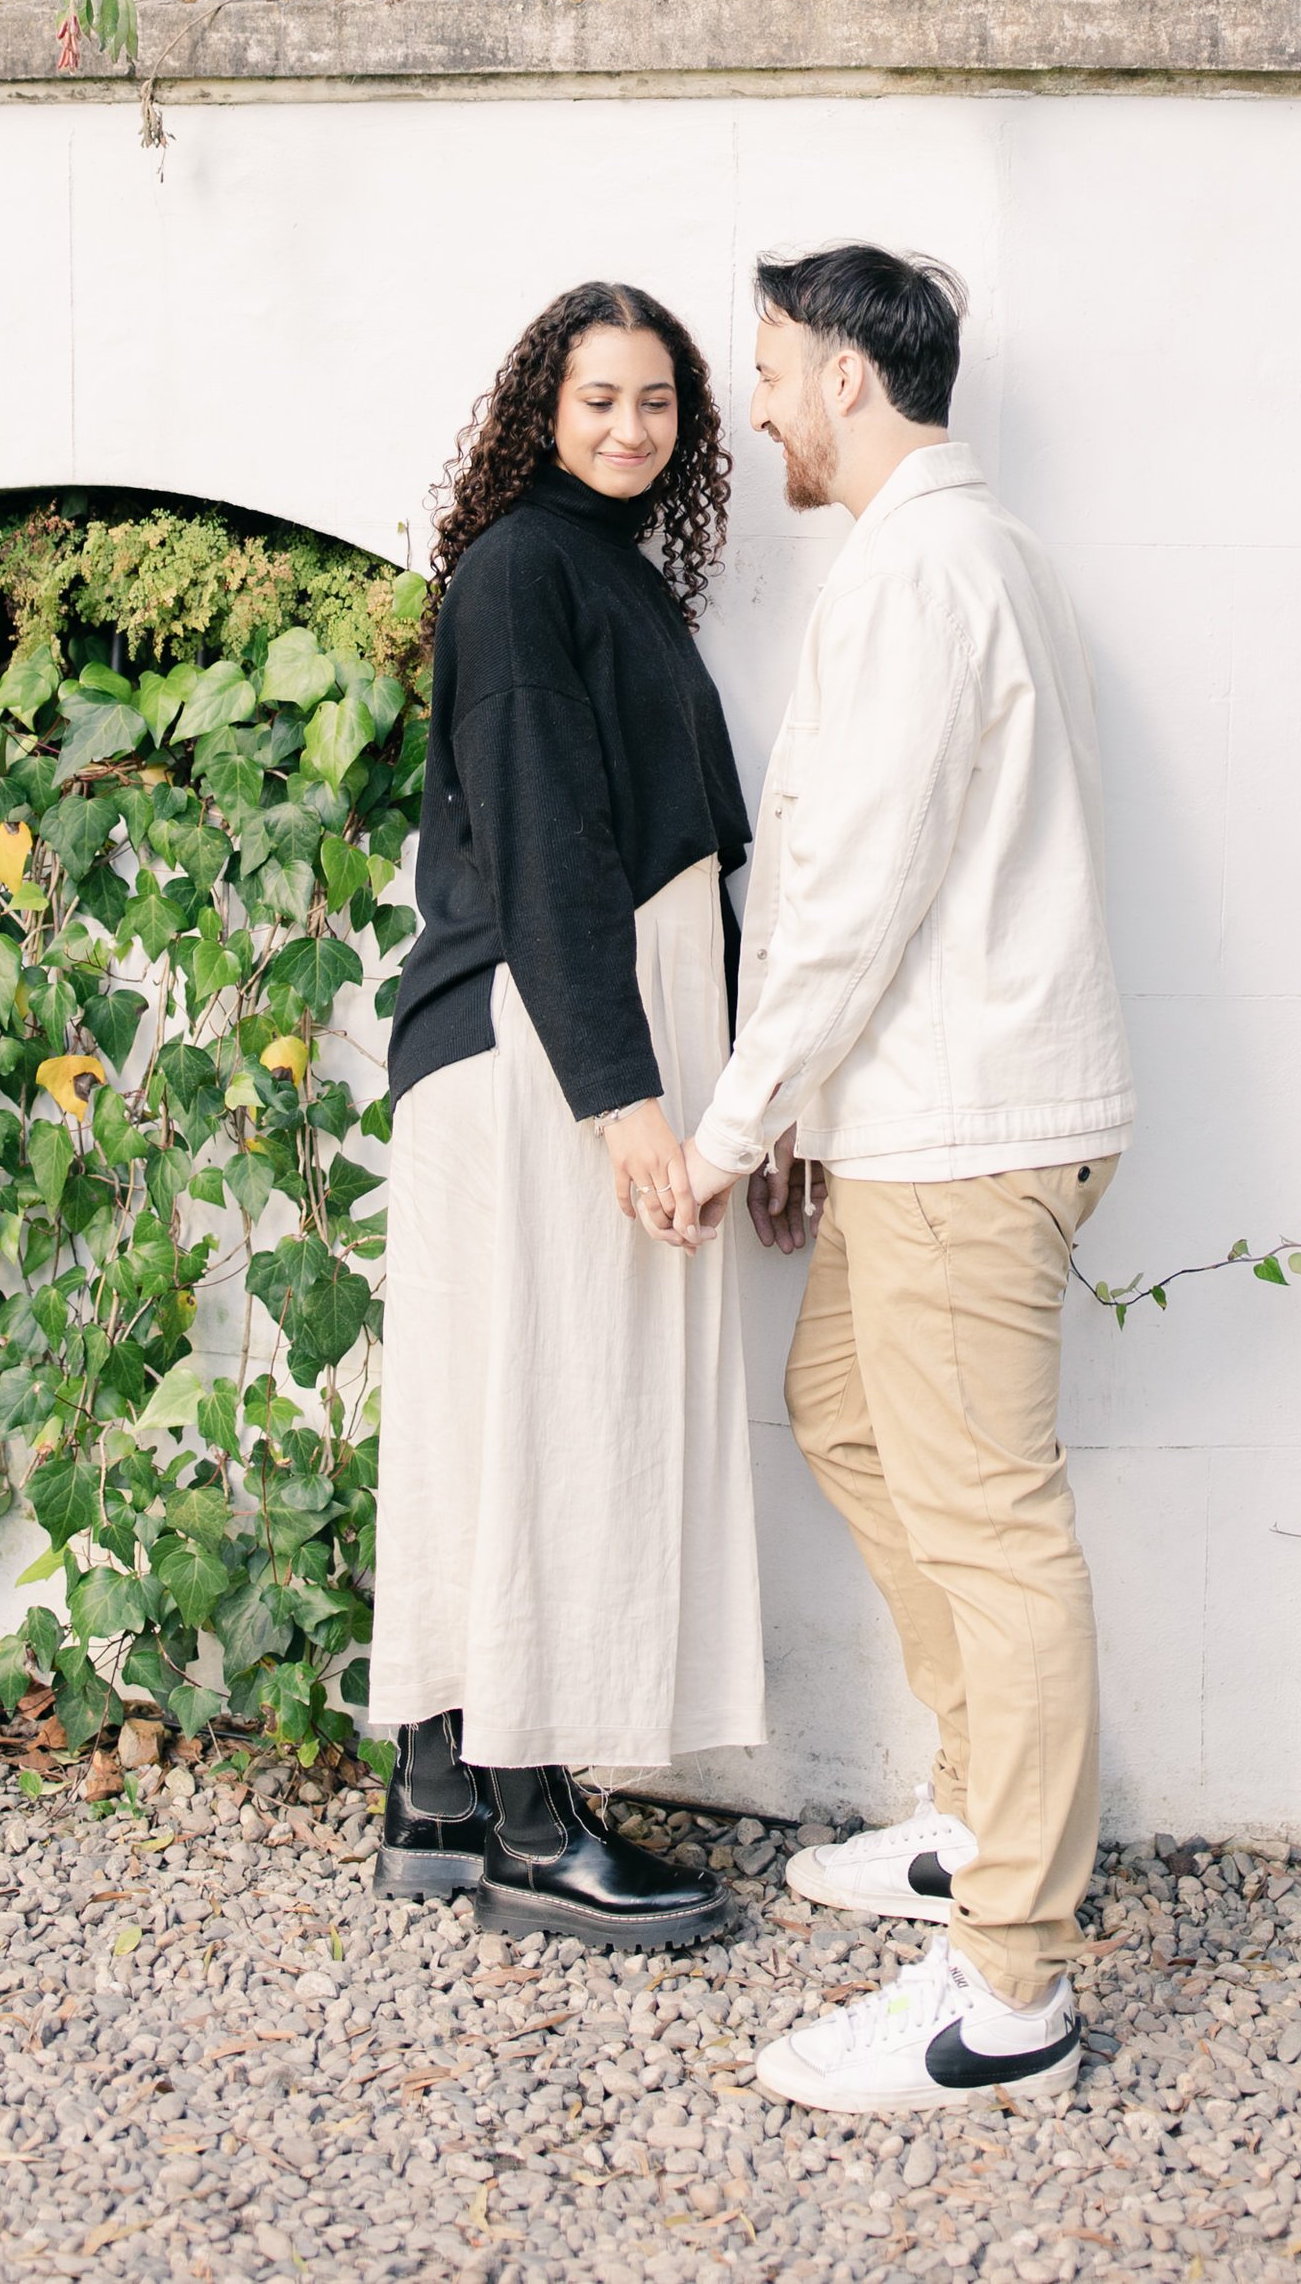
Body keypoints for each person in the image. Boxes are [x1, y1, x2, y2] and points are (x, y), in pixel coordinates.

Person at [675, 244, 1134, 2110]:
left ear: (852, 377)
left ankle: (1005, 1991)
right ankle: (971, 1805)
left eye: (775, 366)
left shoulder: (929, 568)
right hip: (925, 1121)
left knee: (995, 1524)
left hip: (967, 1131)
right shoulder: (966, 555)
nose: (761, 401)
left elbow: (856, 892)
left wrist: (728, 1123)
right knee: (845, 1410)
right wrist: (809, 1126)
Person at [370, 281, 762, 1949]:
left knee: (495, 1407)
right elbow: (542, 841)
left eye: (657, 401)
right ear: (544, 407)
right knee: (536, 1410)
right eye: (599, 397)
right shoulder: (528, 570)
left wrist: (742, 1086)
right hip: (540, 1041)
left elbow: (689, 861)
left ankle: (444, 1789)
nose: (629, 426)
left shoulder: (612, 577)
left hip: (576, 1035)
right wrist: (631, 1102)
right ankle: (529, 1818)